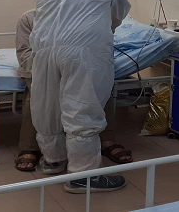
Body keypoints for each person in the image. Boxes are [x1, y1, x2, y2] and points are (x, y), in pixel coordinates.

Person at [30, 0, 131, 193]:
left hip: (44, 47)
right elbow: (117, 13)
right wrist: (102, 29)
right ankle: (83, 176)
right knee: (82, 108)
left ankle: (53, 160)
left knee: (47, 105)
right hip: (85, 49)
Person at [14, 9, 133, 171]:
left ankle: (107, 139)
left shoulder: (85, 16)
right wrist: (49, 71)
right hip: (38, 69)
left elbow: (100, 45)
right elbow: (24, 54)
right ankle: (30, 147)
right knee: (38, 96)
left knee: (100, 87)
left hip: (78, 67)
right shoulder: (28, 19)